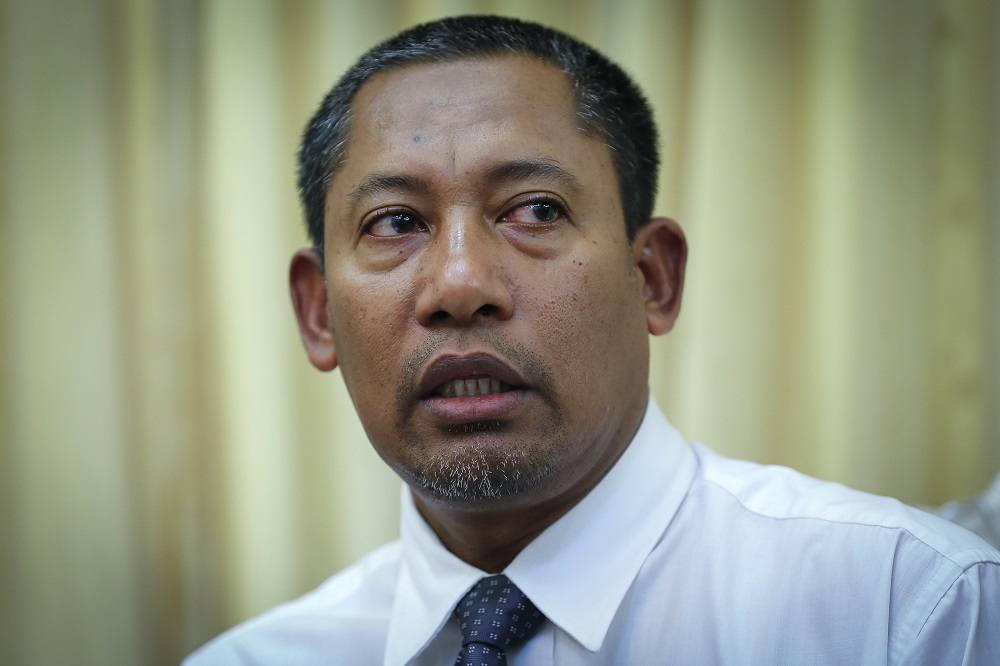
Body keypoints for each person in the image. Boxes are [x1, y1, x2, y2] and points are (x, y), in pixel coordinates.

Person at [186, 15, 999, 665]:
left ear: (653, 278)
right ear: (319, 312)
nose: (460, 285)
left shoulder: (910, 611)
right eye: (395, 222)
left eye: (535, 210)